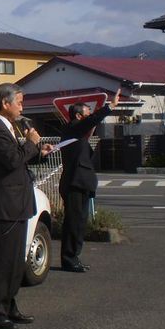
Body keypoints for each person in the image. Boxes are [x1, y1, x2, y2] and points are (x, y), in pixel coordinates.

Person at [0, 83, 52, 329]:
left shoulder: (8, 127)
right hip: (5, 205)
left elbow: (18, 158)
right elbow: (12, 160)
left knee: (14, 261)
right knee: (3, 261)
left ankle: (10, 305)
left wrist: (39, 151)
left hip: (18, 203)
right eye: (19, 101)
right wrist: (32, 143)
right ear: (5, 103)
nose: (22, 106)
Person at [59, 89, 120, 273]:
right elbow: (92, 121)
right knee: (73, 222)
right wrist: (110, 107)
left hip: (81, 183)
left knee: (80, 222)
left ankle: (74, 257)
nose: (90, 117)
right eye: (87, 114)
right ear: (78, 116)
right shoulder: (72, 128)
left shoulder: (79, 134)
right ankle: (69, 259)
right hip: (74, 183)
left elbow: (90, 125)